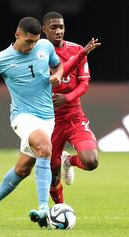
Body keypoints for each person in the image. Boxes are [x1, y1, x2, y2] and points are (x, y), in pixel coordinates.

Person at [0, 17, 63, 228]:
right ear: (17, 34)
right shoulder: (0, 60)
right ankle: (43, 210)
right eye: (28, 41)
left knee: (23, 170)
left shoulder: (45, 46)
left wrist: (57, 75)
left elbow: (59, 66)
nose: (31, 46)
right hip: (22, 116)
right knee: (44, 148)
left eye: (35, 41)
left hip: (47, 117)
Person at [42, 11, 101, 205]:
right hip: (49, 121)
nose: (58, 31)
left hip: (74, 116)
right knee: (53, 173)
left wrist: (66, 98)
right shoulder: (38, 54)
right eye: (53, 27)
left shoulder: (76, 49)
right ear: (44, 30)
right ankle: (60, 209)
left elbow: (84, 84)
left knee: (91, 161)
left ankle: (70, 161)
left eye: (61, 27)